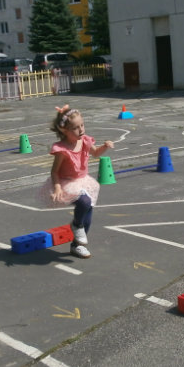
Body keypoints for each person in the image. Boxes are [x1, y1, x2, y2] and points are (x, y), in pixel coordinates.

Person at [40, 105, 114, 259]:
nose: (81, 130)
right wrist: (57, 188)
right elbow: (54, 171)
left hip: (83, 181)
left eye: (82, 125)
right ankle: (76, 225)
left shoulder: (85, 141)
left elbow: (95, 153)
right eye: (75, 128)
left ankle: (77, 245)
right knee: (84, 202)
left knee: (88, 212)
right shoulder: (62, 149)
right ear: (64, 131)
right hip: (66, 183)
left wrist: (105, 146)